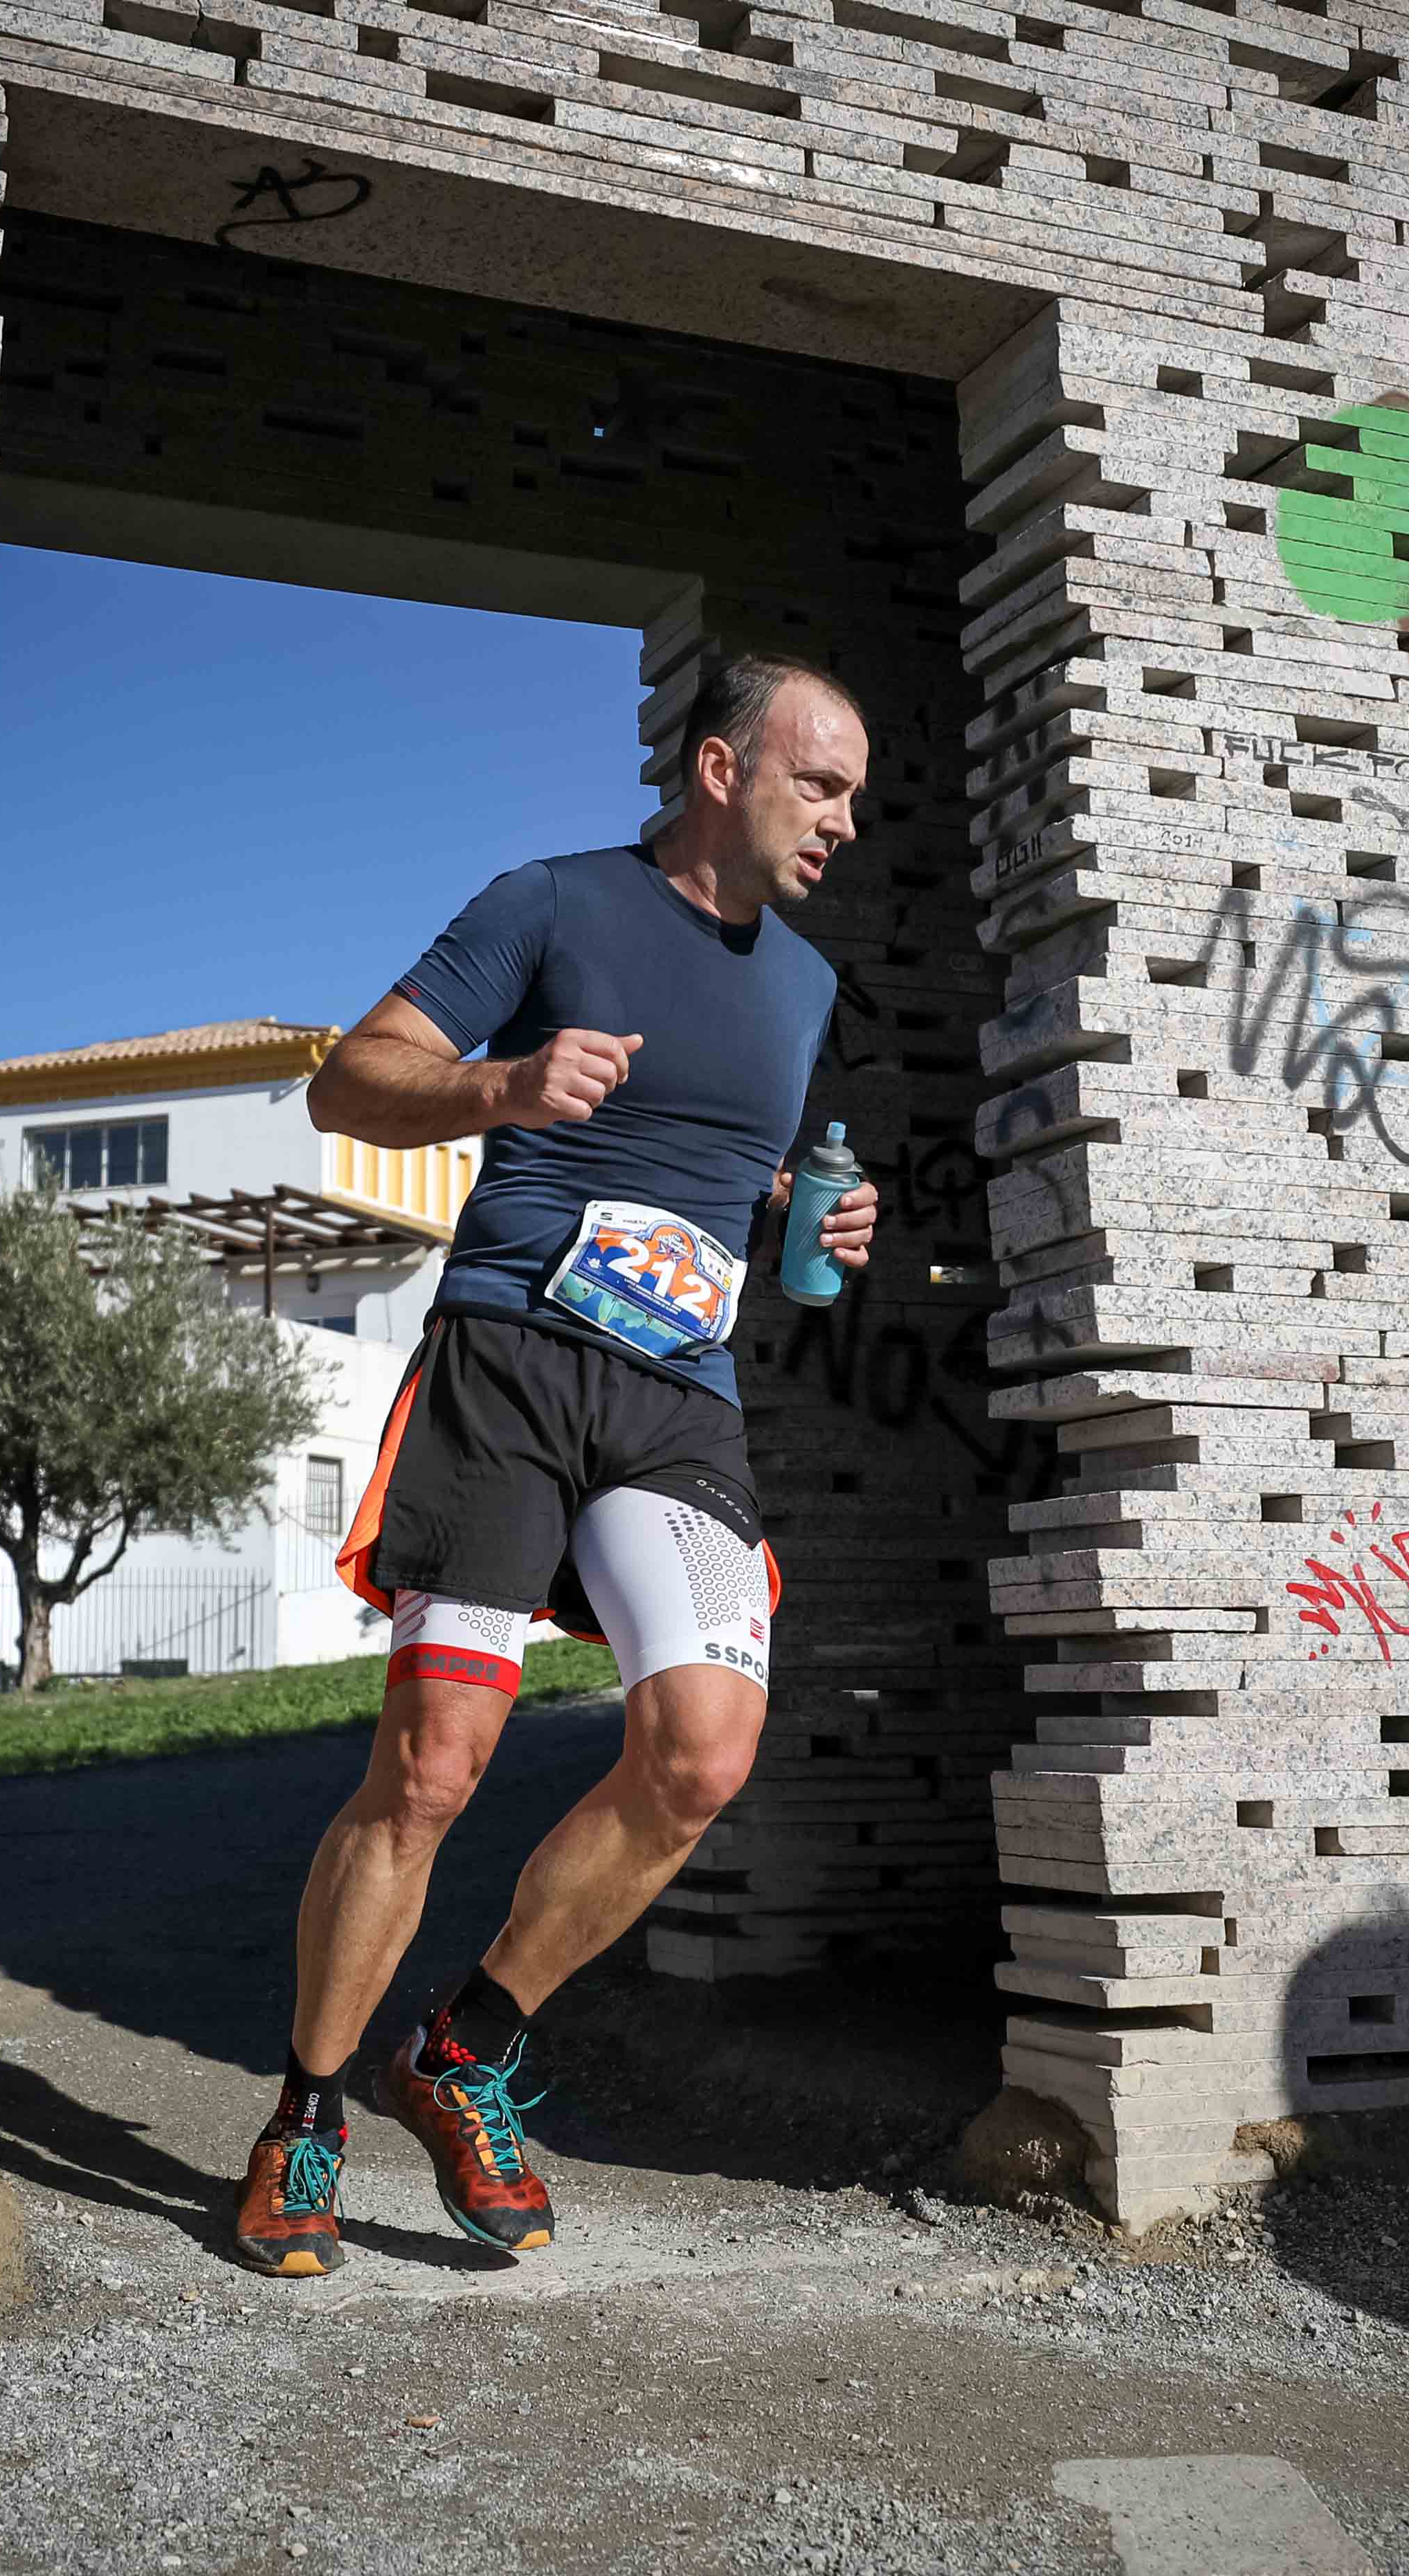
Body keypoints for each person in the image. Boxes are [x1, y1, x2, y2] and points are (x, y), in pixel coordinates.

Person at [231, 655, 882, 2276]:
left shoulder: (804, 990)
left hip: (677, 1397)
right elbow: (346, 1079)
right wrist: (499, 1086)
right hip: (510, 1362)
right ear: (722, 770)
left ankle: (462, 2047)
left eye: (857, 794)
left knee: (701, 1755)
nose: (845, 823)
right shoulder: (547, 902)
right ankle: (305, 2115)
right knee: (436, 1763)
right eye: (821, 784)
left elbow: (733, 1185)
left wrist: (817, 1222)